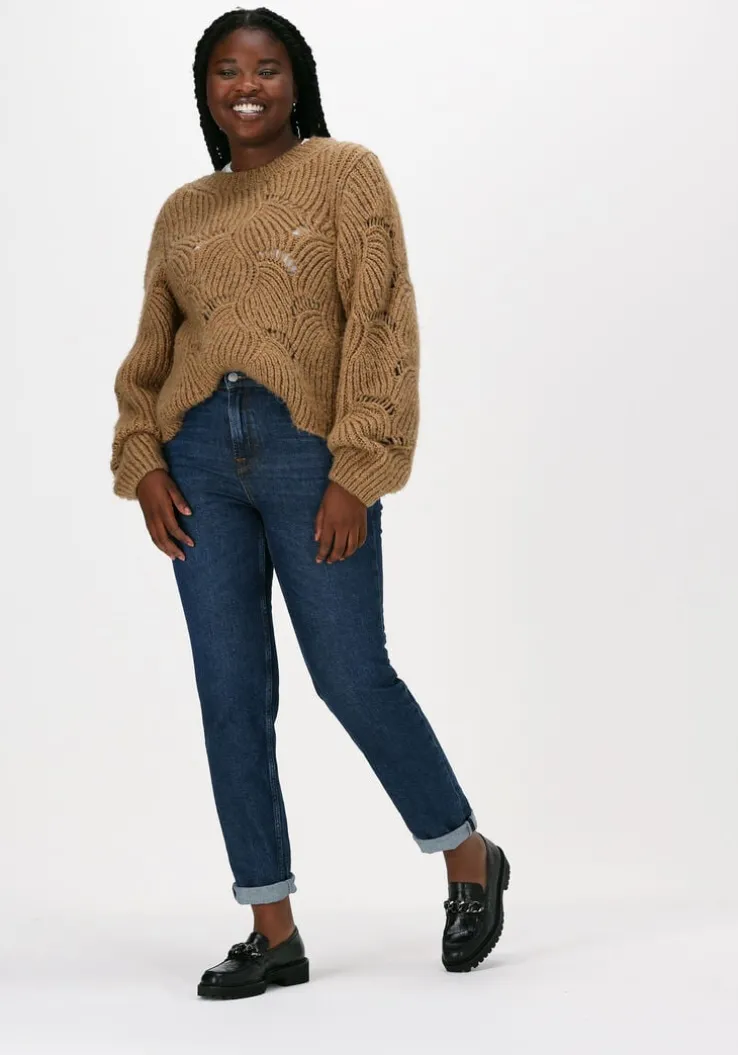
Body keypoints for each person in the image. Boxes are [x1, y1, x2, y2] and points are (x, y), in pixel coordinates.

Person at [110, 6, 510, 999]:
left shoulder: (346, 175)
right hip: (198, 461)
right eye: (227, 70)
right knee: (230, 691)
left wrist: (357, 469)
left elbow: (381, 325)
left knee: (351, 673)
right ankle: (272, 926)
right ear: (205, 88)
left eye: (267, 68)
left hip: (306, 455)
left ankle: (468, 853)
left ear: (296, 81)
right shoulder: (182, 210)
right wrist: (144, 458)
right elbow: (152, 349)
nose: (246, 87)